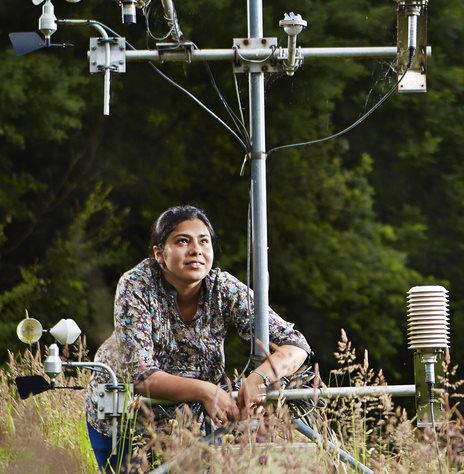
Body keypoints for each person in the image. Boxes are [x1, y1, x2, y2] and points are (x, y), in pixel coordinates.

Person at [85, 205, 311, 471]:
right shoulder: (137, 285)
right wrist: (208, 391)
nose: (196, 250)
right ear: (159, 253)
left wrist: (259, 378)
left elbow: (296, 344)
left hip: (193, 420)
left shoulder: (223, 288)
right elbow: (142, 376)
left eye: (204, 241)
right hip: (125, 415)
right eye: (182, 241)